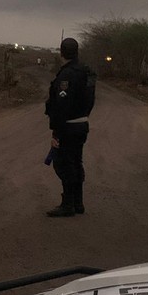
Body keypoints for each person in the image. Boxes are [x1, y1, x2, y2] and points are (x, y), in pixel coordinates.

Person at [45, 37, 96, 217]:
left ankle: (68, 205)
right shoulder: (86, 72)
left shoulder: (67, 74)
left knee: (64, 164)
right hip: (82, 124)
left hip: (68, 127)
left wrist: (56, 133)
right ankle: (77, 203)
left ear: (61, 52)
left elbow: (62, 106)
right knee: (76, 162)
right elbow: (90, 100)